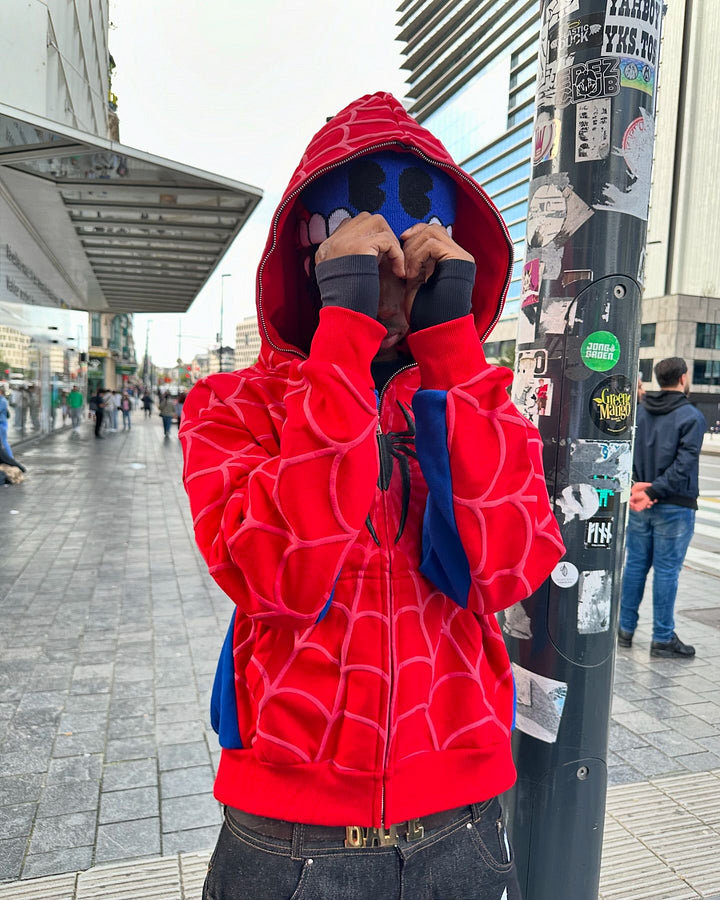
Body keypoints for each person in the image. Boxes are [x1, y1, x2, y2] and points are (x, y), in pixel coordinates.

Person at [179, 92, 564, 900]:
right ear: (313, 256)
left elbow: (508, 569)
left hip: (460, 823)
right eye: (365, 259)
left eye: (418, 257)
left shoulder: (479, 397)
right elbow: (277, 577)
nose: (395, 279)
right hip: (286, 835)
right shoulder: (232, 404)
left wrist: (454, 351)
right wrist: (343, 342)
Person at [619, 357, 707, 658]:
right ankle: (662, 638)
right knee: (667, 572)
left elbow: (626, 450)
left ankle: (625, 629)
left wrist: (638, 487)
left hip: (640, 501)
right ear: (682, 378)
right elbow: (684, 464)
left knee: (634, 567)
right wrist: (654, 490)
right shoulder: (691, 416)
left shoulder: (640, 412)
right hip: (674, 505)